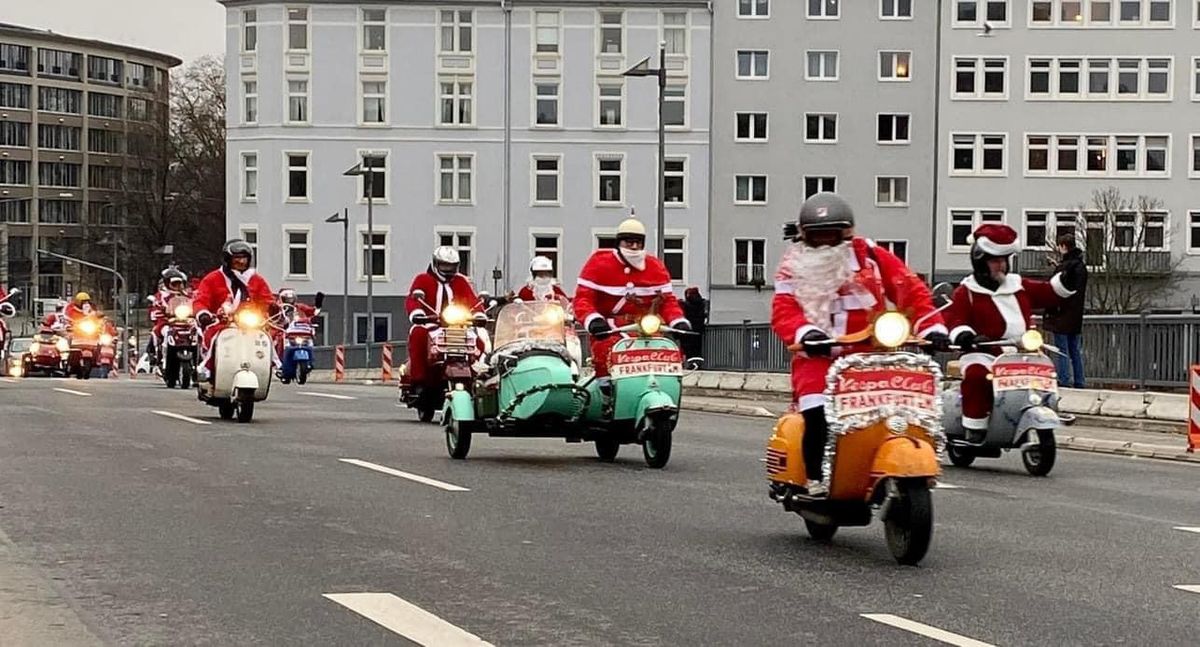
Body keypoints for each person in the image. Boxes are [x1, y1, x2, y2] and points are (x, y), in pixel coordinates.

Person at [770, 192, 948, 497]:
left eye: (832, 236)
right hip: (818, 358)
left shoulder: (871, 256)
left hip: (872, 356)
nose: (826, 243)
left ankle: (887, 465)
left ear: (847, 233)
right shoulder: (792, 265)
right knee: (816, 412)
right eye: (817, 237)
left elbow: (909, 288)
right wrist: (806, 334)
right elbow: (784, 308)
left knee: (903, 410)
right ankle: (816, 479)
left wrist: (932, 327)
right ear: (804, 237)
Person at [944, 223, 1079, 436]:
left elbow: (1048, 293)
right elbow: (955, 318)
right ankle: (975, 426)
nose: (1002, 266)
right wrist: (965, 335)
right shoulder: (966, 292)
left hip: (1021, 353)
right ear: (981, 262)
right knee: (978, 377)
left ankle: (1041, 409)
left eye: (1004, 260)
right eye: (995, 261)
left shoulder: (1018, 285)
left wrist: (1068, 278)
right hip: (984, 353)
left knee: (1043, 374)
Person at [574, 217, 691, 379]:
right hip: (611, 329)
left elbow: (668, 301)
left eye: (638, 242)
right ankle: (606, 391)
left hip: (646, 329)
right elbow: (583, 299)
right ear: (619, 243)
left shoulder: (655, 267)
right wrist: (593, 321)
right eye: (629, 242)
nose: (634, 247)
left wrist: (678, 321)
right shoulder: (599, 264)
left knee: (664, 357)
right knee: (606, 359)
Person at [192, 239, 275, 382]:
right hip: (221, 322)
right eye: (237, 259)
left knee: (265, 338)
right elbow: (201, 299)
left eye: (244, 258)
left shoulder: (256, 280)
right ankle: (207, 368)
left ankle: (273, 366)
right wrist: (203, 314)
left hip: (250, 323)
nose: (241, 262)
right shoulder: (213, 279)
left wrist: (273, 308)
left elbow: (266, 299)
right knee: (214, 338)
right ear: (227, 260)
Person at [404, 246, 485, 389]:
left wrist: (479, 314)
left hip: (458, 326)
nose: (448, 269)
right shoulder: (423, 279)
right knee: (418, 334)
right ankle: (419, 380)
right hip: (431, 325)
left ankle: (475, 374)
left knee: (478, 342)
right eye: (444, 265)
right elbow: (413, 298)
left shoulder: (460, 281)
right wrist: (417, 313)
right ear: (435, 264)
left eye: (452, 266)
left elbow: (472, 299)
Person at [1044, 234, 1088, 388]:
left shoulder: (1064, 267)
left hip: (1061, 315)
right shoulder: (1080, 266)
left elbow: (1057, 288)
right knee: (1075, 349)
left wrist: (1057, 268)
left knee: (1061, 349)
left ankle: (1064, 379)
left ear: (1063, 246)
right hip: (1076, 315)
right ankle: (1080, 380)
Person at [149, 268, 191, 366]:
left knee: (199, 332)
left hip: (186, 322)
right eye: (174, 283)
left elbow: (195, 303)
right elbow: (155, 308)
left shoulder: (188, 295)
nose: (177, 286)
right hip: (167, 322)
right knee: (165, 331)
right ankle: (163, 359)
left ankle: (201, 359)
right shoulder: (161, 296)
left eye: (179, 283)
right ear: (167, 283)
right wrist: (158, 313)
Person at [681, 286, 708, 360]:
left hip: (689, 329)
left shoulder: (686, 305)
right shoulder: (702, 303)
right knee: (697, 347)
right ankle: (698, 361)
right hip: (699, 329)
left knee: (689, 348)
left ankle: (690, 361)